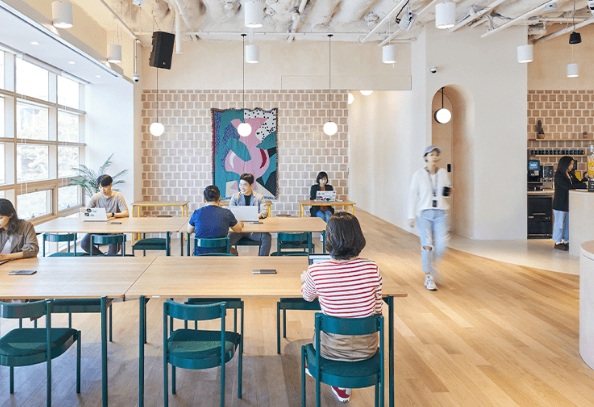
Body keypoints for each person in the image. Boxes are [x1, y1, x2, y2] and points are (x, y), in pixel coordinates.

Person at [301, 212, 382, 403]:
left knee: (319, 333)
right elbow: (377, 311)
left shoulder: (316, 271)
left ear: (329, 238)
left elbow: (307, 296)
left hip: (330, 350)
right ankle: (340, 383)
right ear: (358, 237)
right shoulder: (372, 268)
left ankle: (321, 370)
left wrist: (306, 279)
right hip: (367, 349)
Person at [407, 146, 451, 291]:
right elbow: (413, 195)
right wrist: (411, 215)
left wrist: (448, 191)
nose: (434, 157)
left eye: (437, 155)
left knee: (442, 247)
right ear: (426, 157)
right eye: (431, 154)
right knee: (427, 245)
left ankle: (432, 265)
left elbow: (446, 192)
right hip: (424, 214)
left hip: (440, 214)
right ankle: (428, 277)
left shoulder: (443, 173)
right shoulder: (418, 174)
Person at [81, 174, 129, 255]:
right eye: (100, 187)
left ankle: (108, 259)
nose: (102, 190)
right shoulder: (96, 197)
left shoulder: (118, 196)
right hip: (99, 227)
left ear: (111, 184)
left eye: (105, 187)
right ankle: (103, 257)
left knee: (113, 249)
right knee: (84, 244)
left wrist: (111, 215)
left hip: (114, 228)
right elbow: (86, 212)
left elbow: (126, 213)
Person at [188, 185, 243, 255]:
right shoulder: (227, 213)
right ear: (219, 198)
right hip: (222, 253)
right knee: (234, 251)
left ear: (204, 199)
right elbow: (238, 230)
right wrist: (240, 223)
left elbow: (189, 230)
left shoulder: (197, 213)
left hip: (200, 254)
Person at [227, 173, 271, 256]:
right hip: (239, 229)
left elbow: (264, 212)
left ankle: (262, 260)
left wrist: (255, 216)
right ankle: (227, 259)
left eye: (245, 185)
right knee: (227, 239)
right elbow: (230, 212)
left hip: (254, 230)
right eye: (240, 184)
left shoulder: (259, 197)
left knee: (267, 237)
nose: (242, 187)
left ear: (251, 185)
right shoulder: (235, 197)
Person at [552, 156, 586, 251]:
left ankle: (566, 241)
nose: (572, 166)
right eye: (570, 164)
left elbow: (578, 183)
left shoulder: (571, 174)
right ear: (565, 164)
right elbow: (567, 186)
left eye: (572, 164)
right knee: (559, 224)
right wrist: (583, 185)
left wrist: (585, 178)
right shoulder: (558, 175)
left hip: (569, 203)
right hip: (560, 204)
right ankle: (558, 242)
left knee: (568, 224)